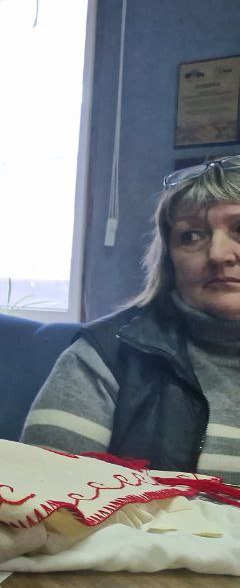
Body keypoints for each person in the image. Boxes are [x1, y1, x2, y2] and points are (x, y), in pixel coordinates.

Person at [23, 156, 240, 483]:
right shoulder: (106, 355)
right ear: (170, 261)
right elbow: (42, 493)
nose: (218, 254)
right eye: (191, 236)